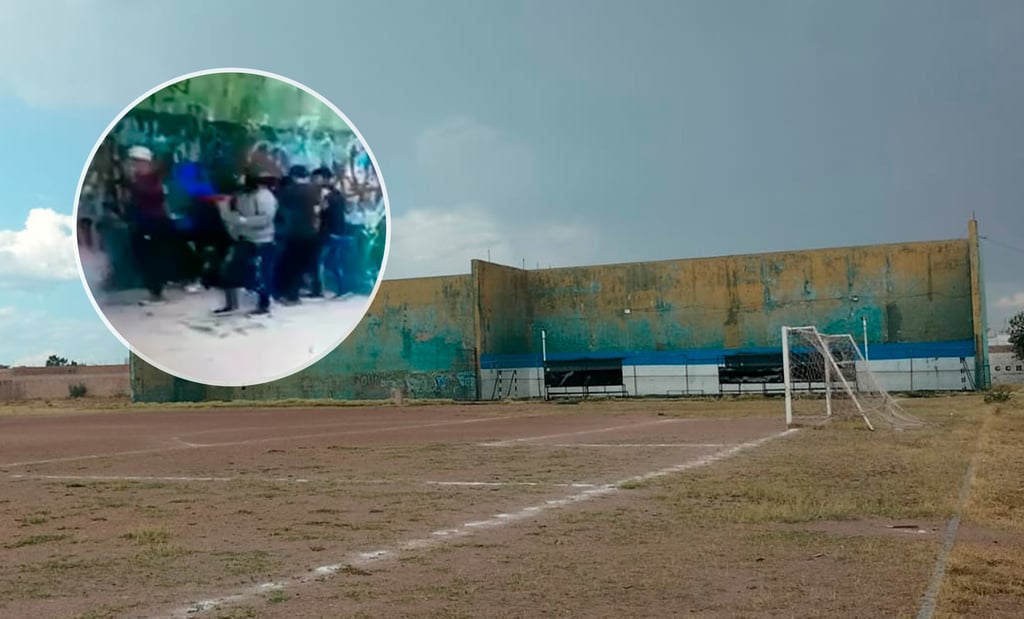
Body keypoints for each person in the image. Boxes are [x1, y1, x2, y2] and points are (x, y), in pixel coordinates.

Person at [215, 168, 279, 315]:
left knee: (262, 274)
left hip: (263, 240)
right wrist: (228, 214)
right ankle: (231, 304)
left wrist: (242, 221)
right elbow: (236, 216)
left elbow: (265, 219)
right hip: (245, 239)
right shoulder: (242, 196)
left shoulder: (264, 196)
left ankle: (264, 304)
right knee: (230, 271)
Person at [123, 145, 174, 305]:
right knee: (144, 257)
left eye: (138, 163)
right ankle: (153, 290)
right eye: (133, 163)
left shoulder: (151, 180)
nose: (135, 166)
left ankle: (157, 293)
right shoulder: (138, 180)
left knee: (153, 257)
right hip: (142, 222)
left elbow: (154, 197)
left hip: (154, 222)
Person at [275, 165, 321, 304]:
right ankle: (310, 289)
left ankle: (291, 295)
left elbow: (281, 208)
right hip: (311, 232)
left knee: (291, 264)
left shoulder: (289, 192)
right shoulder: (314, 190)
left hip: (294, 232)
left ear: (293, 176)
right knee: (303, 265)